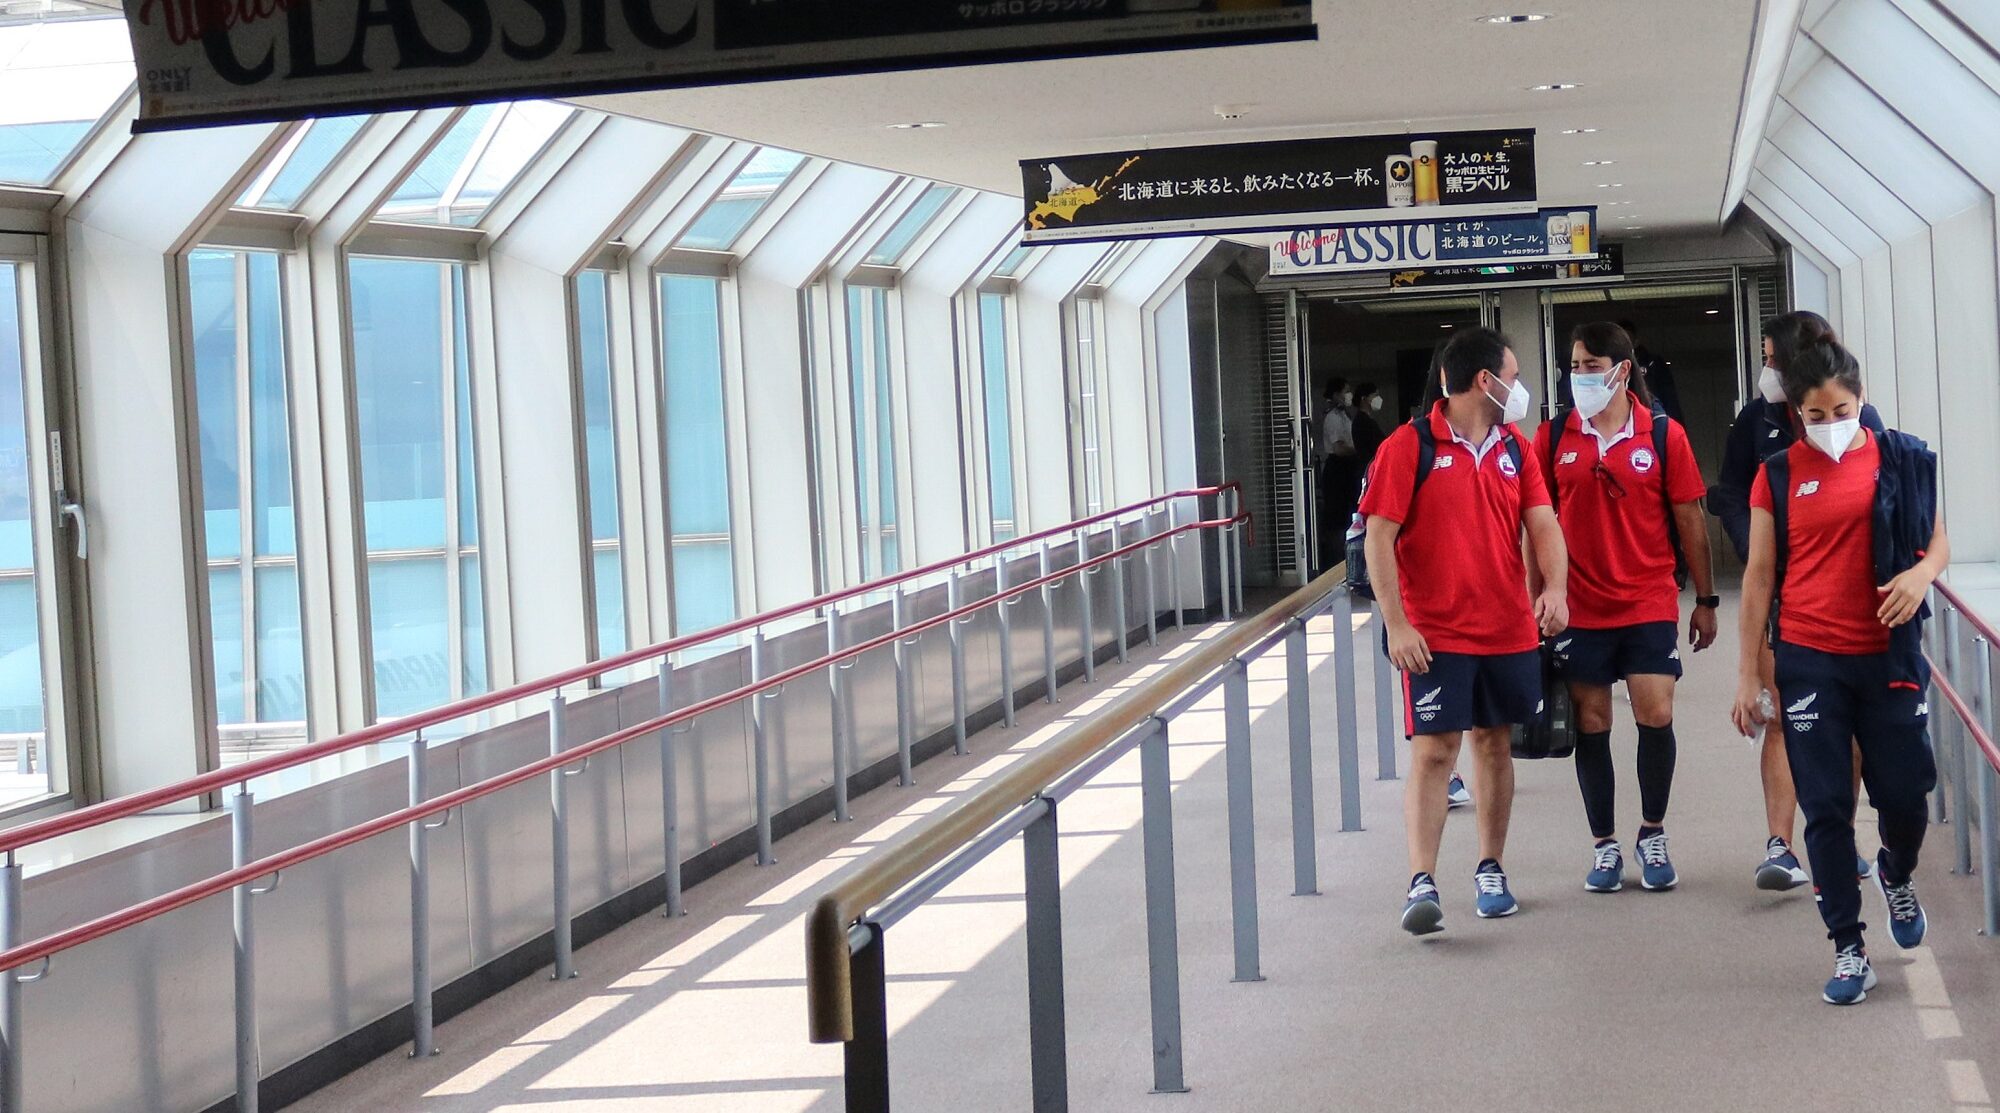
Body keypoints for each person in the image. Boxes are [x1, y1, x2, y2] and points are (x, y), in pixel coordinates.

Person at [1730, 334, 1947, 1005]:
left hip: (1887, 653)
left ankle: (1895, 869)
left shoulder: (1900, 457)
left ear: (1862, 400)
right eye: (1815, 414)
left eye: (1841, 408)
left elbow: (1939, 540)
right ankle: (1849, 946)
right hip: (1810, 657)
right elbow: (1760, 575)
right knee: (1824, 806)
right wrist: (1748, 674)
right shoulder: (1779, 473)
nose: (1829, 423)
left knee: (1906, 793)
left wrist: (1919, 574)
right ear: (1797, 413)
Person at [1361, 327, 1569, 935]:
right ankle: (1421, 880)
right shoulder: (1409, 446)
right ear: (1487, 381)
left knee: (1494, 744)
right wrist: (1396, 624)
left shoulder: (1515, 448)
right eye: (1514, 373)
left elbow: (1543, 524)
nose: (1520, 386)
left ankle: (1490, 867)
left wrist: (1554, 589)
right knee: (1434, 751)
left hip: (1506, 628)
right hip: (1435, 632)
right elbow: (1379, 538)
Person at [1539, 323, 1717, 893]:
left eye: (1591, 364)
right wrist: (1538, 593)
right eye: (1575, 364)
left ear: (1621, 369)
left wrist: (1706, 600)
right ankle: (1604, 844)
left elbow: (1691, 519)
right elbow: (1535, 524)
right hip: (1581, 604)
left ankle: (1652, 831)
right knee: (1592, 721)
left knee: (1656, 712)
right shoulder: (1552, 437)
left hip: (1647, 596)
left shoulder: (1663, 435)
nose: (1580, 375)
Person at [1711, 311, 1879, 889]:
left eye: (1768, 356)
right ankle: (1779, 845)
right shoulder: (1757, 419)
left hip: (1843, 597)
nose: (1765, 368)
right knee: (1782, 716)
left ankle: (1838, 833)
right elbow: (1731, 490)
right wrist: (1748, 536)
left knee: (1849, 727)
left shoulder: (1862, 420)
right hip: (1779, 593)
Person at [1319, 377, 1358, 574]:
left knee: (1347, 516)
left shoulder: (1346, 415)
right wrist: (1358, 449)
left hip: (1346, 468)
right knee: (1337, 518)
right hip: (1337, 469)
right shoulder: (1332, 417)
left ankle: (1348, 561)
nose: (1348, 394)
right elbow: (1339, 447)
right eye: (1346, 390)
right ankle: (1335, 566)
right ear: (1336, 394)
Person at [1619, 319, 1684, 425]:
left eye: (1627, 341)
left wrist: (1676, 424)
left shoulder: (1653, 364)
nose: (1624, 347)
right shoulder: (1607, 368)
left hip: (1650, 419)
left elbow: (1670, 398)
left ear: (1636, 341)